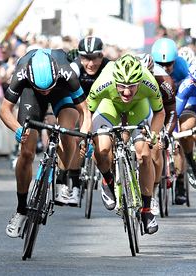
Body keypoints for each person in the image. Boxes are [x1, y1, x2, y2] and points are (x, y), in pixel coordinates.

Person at [0, 48, 91, 238]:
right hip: (30, 95)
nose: (46, 92)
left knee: (67, 132)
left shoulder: (66, 72)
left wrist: (83, 136)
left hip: (62, 92)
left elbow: (85, 112)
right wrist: (17, 129)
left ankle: (60, 179)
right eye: (42, 88)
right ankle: (21, 209)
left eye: (48, 87)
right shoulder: (22, 72)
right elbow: (4, 110)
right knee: (26, 152)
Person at [88, 54, 165, 234]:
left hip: (138, 110)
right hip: (109, 108)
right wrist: (86, 136)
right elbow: (87, 110)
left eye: (132, 87)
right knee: (103, 148)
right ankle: (108, 180)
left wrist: (153, 134)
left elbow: (159, 113)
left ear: (140, 82)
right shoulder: (104, 81)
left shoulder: (149, 82)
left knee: (144, 154)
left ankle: (146, 211)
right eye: (122, 87)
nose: (127, 92)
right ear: (115, 82)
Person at [53, 36, 110, 205]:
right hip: (79, 103)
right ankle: (75, 184)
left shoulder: (108, 67)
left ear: (102, 56)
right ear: (79, 57)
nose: (91, 64)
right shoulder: (75, 67)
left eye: (95, 58)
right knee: (76, 137)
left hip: (101, 104)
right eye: (86, 58)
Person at [137, 53, 177, 214]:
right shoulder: (125, 80)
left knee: (155, 149)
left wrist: (165, 134)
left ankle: (152, 192)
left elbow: (171, 112)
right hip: (134, 113)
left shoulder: (164, 82)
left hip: (155, 115)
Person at [175, 57, 196, 199]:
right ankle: (190, 161)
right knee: (185, 127)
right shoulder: (187, 85)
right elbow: (176, 113)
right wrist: (175, 134)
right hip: (194, 108)